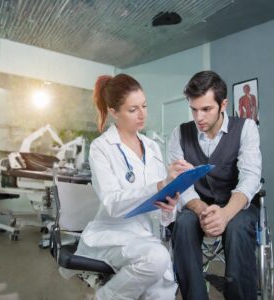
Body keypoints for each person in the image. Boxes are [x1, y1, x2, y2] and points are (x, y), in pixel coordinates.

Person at [75, 73, 189, 300]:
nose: (142, 114)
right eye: (133, 109)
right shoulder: (101, 148)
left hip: (146, 235)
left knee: (163, 290)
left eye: (144, 106)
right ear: (114, 112)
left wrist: (169, 205)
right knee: (156, 259)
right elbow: (113, 204)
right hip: (112, 233)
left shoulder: (153, 147)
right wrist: (159, 185)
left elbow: (160, 207)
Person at [169, 71, 262, 300]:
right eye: (194, 109)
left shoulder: (247, 128)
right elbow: (182, 184)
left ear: (223, 104)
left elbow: (250, 178)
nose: (199, 117)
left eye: (206, 109)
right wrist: (202, 210)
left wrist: (226, 214)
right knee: (182, 225)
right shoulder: (179, 134)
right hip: (198, 204)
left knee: (238, 227)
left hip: (238, 205)